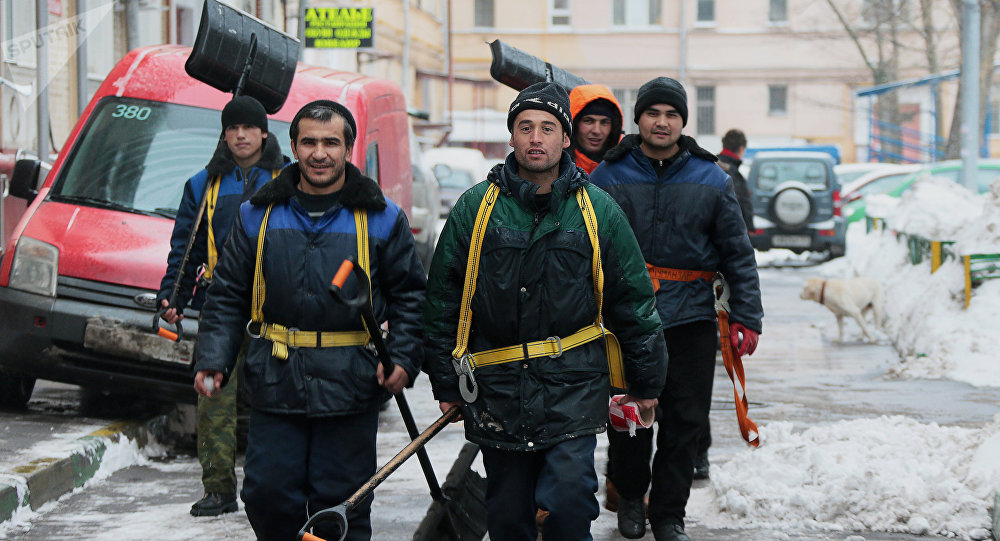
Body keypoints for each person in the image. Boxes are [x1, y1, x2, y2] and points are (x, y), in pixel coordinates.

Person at [422, 81, 668, 541]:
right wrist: (445, 381)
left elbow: (633, 302)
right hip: (496, 386)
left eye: (548, 128)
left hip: (573, 383)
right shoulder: (474, 209)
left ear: (565, 138)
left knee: (571, 503)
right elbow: (442, 300)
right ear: (511, 136)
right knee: (508, 516)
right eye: (526, 127)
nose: (536, 138)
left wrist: (646, 382)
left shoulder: (598, 211)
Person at [192, 100, 425, 541]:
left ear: (349, 149)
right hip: (276, 380)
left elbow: (411, 297)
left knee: (341, 505)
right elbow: (227, 295)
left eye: (331, 143)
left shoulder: (383, 218)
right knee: (266, 495)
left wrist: (403, 357)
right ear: (294, 147)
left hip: (351, 386)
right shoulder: (256, 215)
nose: (320, 153)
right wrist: (214, 359)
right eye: (310, 142)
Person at [590, 77, 764, 541]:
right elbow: (583, 249)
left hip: (691, 320)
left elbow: (737, 253)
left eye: (671, 114)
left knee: (685, 423)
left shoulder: (712, 178)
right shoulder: (607, 177)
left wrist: (747, 316)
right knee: (629, 419)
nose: (662, 122)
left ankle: (669, 515)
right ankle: (631, 497)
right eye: (653, 113)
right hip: (626, 322)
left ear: (683, 121)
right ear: (639, 119)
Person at [156, 95, 287, 517]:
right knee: (213, 396)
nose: (240, 135)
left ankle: (277, 489)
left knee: (276, 398)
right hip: (220, 307)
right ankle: (218, 489)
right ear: (224, 135)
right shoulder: (202, 184)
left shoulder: (288, 179)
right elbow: (186, 247)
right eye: (232, 128)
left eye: (248, 128)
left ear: (264, 133)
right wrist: (174, 295)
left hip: (275, 306)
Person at [569, 84, 624, 174]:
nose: (596, 131)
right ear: (574, 125)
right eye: (588, 121)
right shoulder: (555, 166)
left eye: (604, 122)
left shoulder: (627, 167)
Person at [717, 128, 754, 231]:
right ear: (741, 149)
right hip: (729, 231)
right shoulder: (733, 174)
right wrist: (750, 227)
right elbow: (741, 204)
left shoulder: (711, 165)